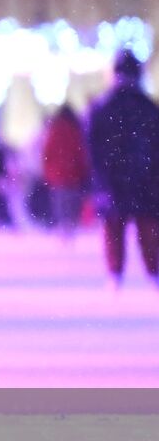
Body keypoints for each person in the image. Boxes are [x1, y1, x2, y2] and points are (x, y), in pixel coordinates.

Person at [86, 50, 159, 292]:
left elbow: (92, 147)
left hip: (112, 179)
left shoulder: (102, 107)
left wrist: (98, 177)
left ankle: (115, 274)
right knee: (147, 228)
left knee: (114, 227)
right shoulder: (148, 107)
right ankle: (153, 272)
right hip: (146, 178)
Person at [40, 105, 89, 243]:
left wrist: (47, 171)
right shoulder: (76, 130)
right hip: (74, 173)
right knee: (72, 203)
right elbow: (81, 153)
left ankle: (63, 227)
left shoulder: (54, 130)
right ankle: (71, 227)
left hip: (57, 174)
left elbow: (47, 152)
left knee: (60, 202)